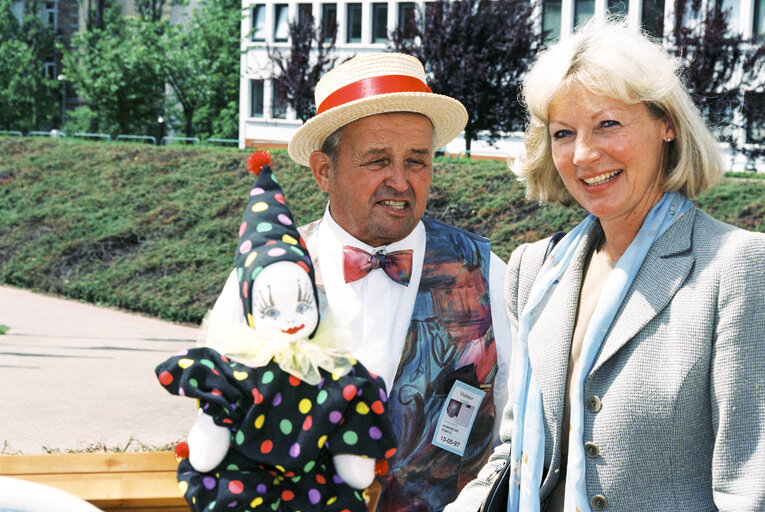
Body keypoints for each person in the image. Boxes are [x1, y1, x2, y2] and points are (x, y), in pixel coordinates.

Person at [445, 21, 765, 512]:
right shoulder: (536, 271)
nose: (584, 154)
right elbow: (517, 455)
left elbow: (749, 488)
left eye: (608, 124)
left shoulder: (737, 268)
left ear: (667, 124)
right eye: (563, 133)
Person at [209, 52, 512, 511]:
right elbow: (220, 418)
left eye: (417, 161)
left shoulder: (485, 272)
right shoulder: (270, 277)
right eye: (376, 161)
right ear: (323, 171)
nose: (400, 180)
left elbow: (523, 426)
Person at [156, 158, 397, 512]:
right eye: (270, 311)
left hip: (318, 488)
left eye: (303, 305)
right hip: (245, 486)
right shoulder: (236, 371)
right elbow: (208, 450)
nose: (290, 320)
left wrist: (354, 456)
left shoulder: (335, 371)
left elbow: (354, 437)